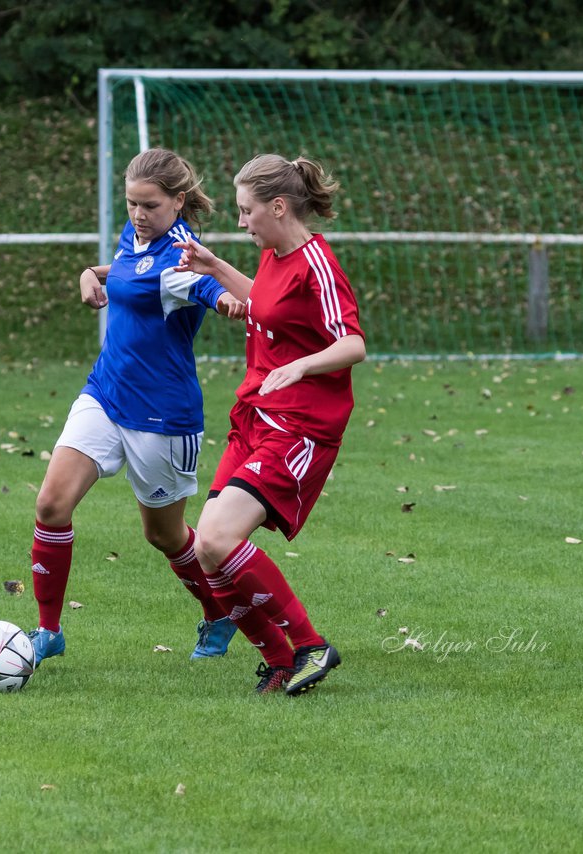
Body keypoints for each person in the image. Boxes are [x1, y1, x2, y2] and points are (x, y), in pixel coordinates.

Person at [27, 148, 247, 667]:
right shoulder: (138, 237)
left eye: (149, 205)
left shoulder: (184, 260)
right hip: (105, 394)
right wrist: (90, 273)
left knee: (164, 535)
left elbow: (207, 288)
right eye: (131, 203)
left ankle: (221, 612)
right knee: (51, 506)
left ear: (178, 201)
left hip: (162, 417)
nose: (137, 214)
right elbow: (127, 266)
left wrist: (230, 304)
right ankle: (48, 631)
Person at [174, 153, 366, 696]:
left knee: (216, 536)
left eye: (246, 211)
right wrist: (212, 267)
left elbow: (353, 343)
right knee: (205, 548)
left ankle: (310, 646)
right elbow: (263, 304)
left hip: (301, 426)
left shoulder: (316, 263)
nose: (241, 222)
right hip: (256, 418)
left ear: (278, 207)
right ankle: (280, 660)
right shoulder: (275, 255)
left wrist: (301, 364)